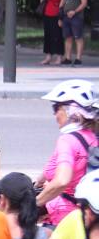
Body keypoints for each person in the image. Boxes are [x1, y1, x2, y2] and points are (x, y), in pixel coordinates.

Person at [34, 79, 97, 225]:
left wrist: (34, 204)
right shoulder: (90, 135)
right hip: (87, 213)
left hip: (65, 216)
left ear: (71, 111)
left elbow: (62, 180)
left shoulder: (68, 140)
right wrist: (41, 179)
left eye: (56, 108)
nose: (55, 115)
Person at [62, 0, 88, 66]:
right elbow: (62, 2)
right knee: (67, 37)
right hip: (66, 16)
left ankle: (78, 58)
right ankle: (67, 58)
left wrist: (74, 11)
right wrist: (60, 16)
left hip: (76, 17)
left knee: (78, 37)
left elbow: (84, 3)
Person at [41, 0, 66, 65]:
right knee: (48, 36)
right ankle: (48, 57)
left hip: (56, 15)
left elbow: (62, 4)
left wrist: (60, 18)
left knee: (57, 36)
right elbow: (41, 1)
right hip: (47, 14)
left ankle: (59, 57)